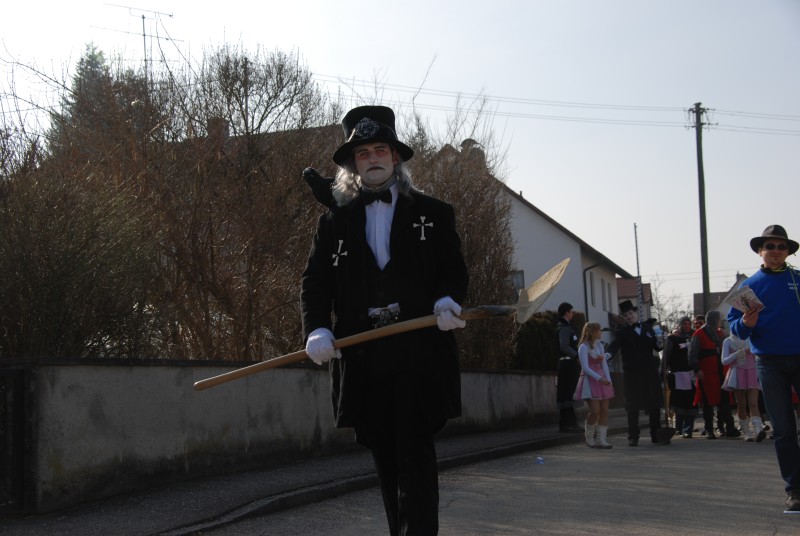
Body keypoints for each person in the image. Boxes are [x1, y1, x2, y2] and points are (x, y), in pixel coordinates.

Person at [300, 105, 470, 534]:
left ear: (395, 157)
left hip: (418, 357)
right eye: (363, 153)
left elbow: (453, 269)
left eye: (380, 150)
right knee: (387, 463)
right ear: (353, 164)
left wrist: (447, 300)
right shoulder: (333, 223)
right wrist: (317, 327)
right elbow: (315, 282)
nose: (372, 158)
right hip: (363, 360)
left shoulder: (434, 213)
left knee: (415, 460)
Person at [727, 224, 800, 514]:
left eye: (782, 246)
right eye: (770, 246)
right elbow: (735, 329)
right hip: (769, 362)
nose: (776, 251)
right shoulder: (749, 287)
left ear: (788, 252)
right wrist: (746, 323)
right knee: (783, 429)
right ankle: (794, 490)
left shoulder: (798, 279)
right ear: (760, 251)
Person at [605, 300, 666, 446]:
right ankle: (633, 436)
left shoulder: (648, 328)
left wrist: (660, 341)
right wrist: (607, 355)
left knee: (654, 404)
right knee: (633, 406)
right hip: (632, 373)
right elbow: (614, 346)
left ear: (636, 313)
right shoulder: (622, 332)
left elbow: (657, 347)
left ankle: (656, 434)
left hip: (650, 372)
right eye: (626, 315)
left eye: (630, 313)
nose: (629, 316)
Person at [688, 310, 740, 439]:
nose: (720, 321)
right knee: (707, 403)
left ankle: (729, 427)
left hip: (721, 372)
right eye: (718, 319)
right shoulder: (698, 334)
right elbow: (692, 354)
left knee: (724, 401)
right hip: (707, 374)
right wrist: (697, 369)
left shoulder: (720, 333)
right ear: (714, 320)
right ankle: (709, 429)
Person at [574, 322, 615, 448]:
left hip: (601, 380)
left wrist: (609, 381)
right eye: (599, 330)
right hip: (590, 380)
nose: (601, 332)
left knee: (604, 411)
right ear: (592, 332)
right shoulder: (583, 347)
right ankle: (589, 434)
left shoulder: (600, 346)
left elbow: (604, 365)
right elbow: (585, 367)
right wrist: (599, 379)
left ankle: (601, 439)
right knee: (595, 411)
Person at [721, 333, 766, 442]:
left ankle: (758, 430)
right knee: (741, 404)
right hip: (737, 372)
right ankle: (746, 432)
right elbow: (724, 361)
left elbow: (760, 354)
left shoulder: (751, 338)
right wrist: (737, 354)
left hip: (752, 371)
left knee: (753, 403)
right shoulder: (728, 341)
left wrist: (754, 352)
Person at [664, 316, 697, 438]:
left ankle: (688, 429)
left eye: (689, 323)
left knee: (691, 402)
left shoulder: (694, 337)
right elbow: (666, 356)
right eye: (684, 323)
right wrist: (662, 371)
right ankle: (678, 427)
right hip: (678, 375)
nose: (687, 326)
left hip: (692, 374)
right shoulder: (672, 339)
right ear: (680, 325)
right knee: (679, 402)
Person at [555, 302, 581, 433]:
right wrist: (576, 356)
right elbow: (564, 346)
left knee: (568, 394)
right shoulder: (564, 328)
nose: (572, 314)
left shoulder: (566, 327)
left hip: (568, 365)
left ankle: (567, 423)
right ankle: (569, 424)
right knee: (568, 393)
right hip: (567, 365)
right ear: (566, 313)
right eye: (571, 311)